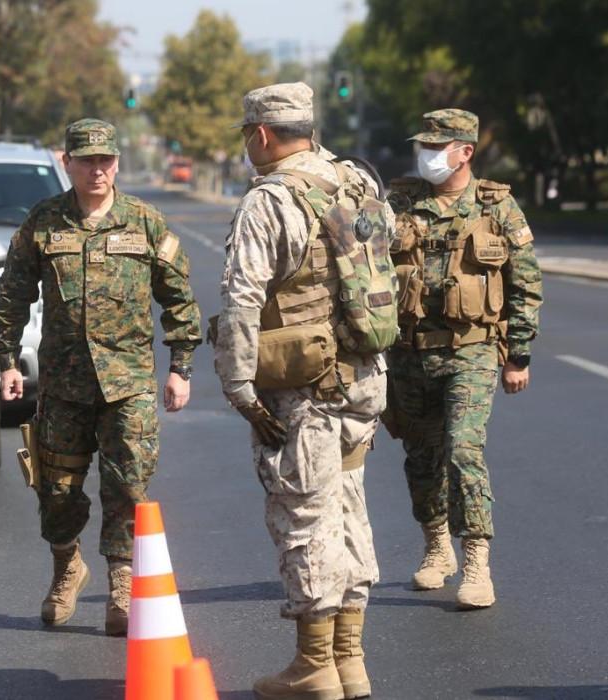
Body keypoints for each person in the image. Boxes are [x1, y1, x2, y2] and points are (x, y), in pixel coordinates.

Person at [0, 118, 201, 637]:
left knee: (126, 486)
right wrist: (8, 360)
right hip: (62, 385)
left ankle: (121, 585)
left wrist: (181, 368)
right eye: (86, 160)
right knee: (56, 489)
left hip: (128, 383)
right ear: (69, 163)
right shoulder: (43, 223)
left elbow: (179, 299)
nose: (97, 169)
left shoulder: (144, 223)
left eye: (105, 160)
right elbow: (12, 295)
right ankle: (67, 567)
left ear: (117, 163)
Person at [213, 82, 389, 700]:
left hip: (302, 391)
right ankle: (351, 661)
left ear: (261, 134)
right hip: (363, 381)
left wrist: (238, 386)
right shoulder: (357, 182)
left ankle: (315, 665)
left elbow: (241, 300)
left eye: (247, 135)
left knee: (305, 518)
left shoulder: (270, 199)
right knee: (348, 510)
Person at [385, 109, 543, 609]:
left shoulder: (497, 207)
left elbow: (526, 284)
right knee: (420, 457)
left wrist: (517, 355)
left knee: (463, 451)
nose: (426, 154)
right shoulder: (401, 203)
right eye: (424, 146)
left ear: (465, 151)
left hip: (471, 352)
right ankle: (437, 548)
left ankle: (476, 561)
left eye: (437, 146)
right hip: (408, 353)